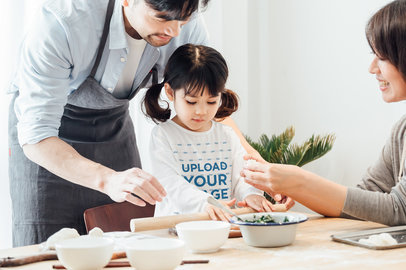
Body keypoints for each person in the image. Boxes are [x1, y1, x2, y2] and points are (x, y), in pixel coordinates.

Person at [8, 0, 216, 247]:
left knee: (124, 245)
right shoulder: (62, 22)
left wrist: (250, 160)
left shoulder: (182, 16)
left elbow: (207, 98)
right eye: (161, 18)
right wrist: (108, 180)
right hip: (49, 146)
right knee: (48, 249)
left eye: (181, 21)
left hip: (114, 130)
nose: (174, 32)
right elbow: (37, 134)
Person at [241, 0, 406, 226]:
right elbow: (364, 200)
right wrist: (293, 187)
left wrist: (300, 183)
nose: (372, 68)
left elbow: (400, 210)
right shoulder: (401, 131)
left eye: (382, 57)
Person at [143, 44, 277, 220]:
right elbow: (170, 184)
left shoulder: (227, 135)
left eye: (212, 102)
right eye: (191, 102)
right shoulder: (163, 135)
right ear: (170, 92)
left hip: (223, 229)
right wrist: (204, 202)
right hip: (177, 232)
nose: (201, 111)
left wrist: (250, 194)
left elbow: (242, 177)